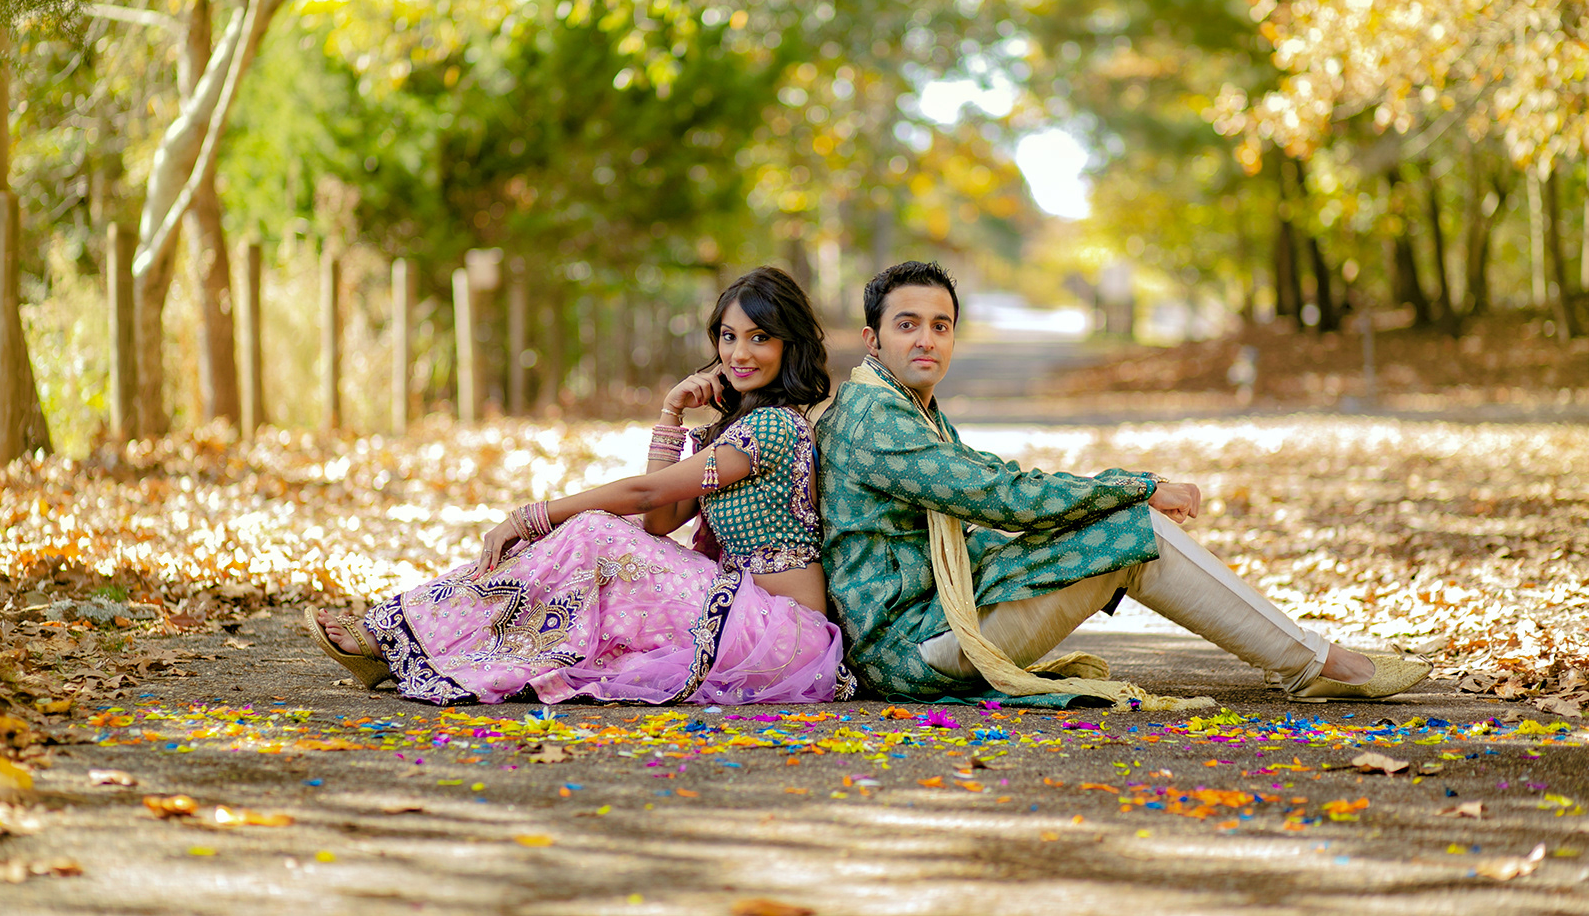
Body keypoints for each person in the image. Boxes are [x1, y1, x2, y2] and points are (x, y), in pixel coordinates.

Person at [816, 260, 1431, 705]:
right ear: (873, 339)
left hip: (929, 622)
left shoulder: (900, 404)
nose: (926, 339)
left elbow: (992, 487)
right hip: (909, 652)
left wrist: (1117, 500)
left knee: (1125, 530)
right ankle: (1313, 664)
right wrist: (1134, 487)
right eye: (907, 325)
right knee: (1139, 533)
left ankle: (1302, 659)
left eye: (941, 325)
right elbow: (1001, 497)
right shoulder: (877, 419)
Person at [307, 267, 855, 706]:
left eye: (760, 338)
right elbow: (661, 521)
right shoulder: (735, 428)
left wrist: (534, 515)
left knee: (596, 532)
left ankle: (393, 633)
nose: (739, 354)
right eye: (729, 337)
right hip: (737, 613)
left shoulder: (774, 427)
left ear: (789, 346)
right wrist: (671, 414)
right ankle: (404, 636)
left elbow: (645, 498)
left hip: (781, 634)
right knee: (594, 542)